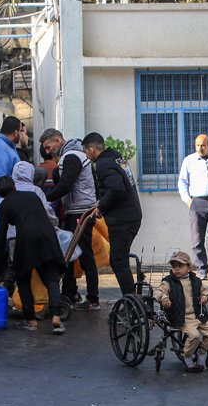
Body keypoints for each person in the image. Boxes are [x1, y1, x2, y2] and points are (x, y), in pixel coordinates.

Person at [0, 175, 66, 333]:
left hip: (26, 239)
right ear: (14, 185)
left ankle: (31, 320)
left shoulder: (3, 206)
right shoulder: (32, 195)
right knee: (51, 279)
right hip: (47, 236)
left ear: (0, 194)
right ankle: (56, 316)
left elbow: (0, 236)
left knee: (23, 279)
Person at [41, 128, 100, 311]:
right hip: (77, 210)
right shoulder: (71, 156)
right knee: (69, 252)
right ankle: (70, 292)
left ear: (58, 140)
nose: (48, 151)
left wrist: (45, 198)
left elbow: (66, 185)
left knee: (84, 255)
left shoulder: (72, 156)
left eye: (49, 146)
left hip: (80, 212)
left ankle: (92, 298)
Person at [83, 132, 142, 297]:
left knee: (118, 260)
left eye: (86, 152)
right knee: (119, 258)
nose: (87, 157)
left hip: (122, 219)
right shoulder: (116, 157)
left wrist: (101, 205)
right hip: (131, 215)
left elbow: (116, 188)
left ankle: (131, 301)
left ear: (92, 149)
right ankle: (132, 298)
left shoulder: (103, 164)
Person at [177, 133, 208, 279]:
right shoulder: (189, 160)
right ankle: (201, 268)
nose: (200, 148)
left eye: (203, 145)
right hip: (197, 203)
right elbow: (182, 182)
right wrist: (188, 200)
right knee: (197, 238)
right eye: (198, 145)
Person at [157, 251, 208, 373]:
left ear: (188, 267)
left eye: (180, 266)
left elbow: (205, 291)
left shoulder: (195, 281)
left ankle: (202, 352)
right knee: (194, 335)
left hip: (198, 315)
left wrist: (205, 297)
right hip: (181, 317)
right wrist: (164, 297)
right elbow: (159, 291)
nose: (177, 269)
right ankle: (188, 357)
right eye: (174, 266)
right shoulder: (168, 281)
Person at [0, 117, 22, 183]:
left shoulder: (5, 145)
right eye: (20, 131)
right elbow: (0, 180)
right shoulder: (1, 148)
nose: (21, 134)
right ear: (16, 133)